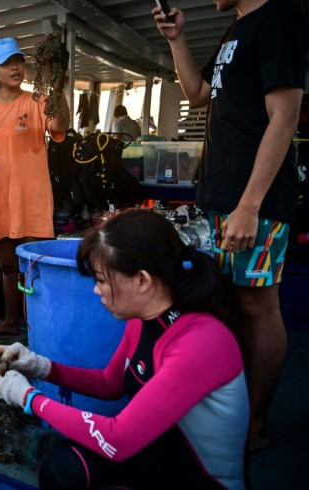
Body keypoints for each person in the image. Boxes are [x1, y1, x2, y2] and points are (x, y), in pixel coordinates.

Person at [0, 209, 248, 489]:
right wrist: (39, 365)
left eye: (101, 279)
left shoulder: (202, 343)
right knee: (64, 468)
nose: (97, 291)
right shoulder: (143, 320)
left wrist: (27, 397)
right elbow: (110, 383)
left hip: (200, 480)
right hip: (159, 457)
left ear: (142, 280)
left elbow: (117, 440)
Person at [154, 0, 308, 451]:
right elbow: (198, 93)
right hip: (222, 195)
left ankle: (254, 426)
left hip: (252, 198)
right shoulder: (235, 29)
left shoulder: (279, 17)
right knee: (234, 304)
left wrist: (250, 205)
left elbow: (285, 115)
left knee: (259, 307)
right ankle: (235, 411)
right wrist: (177, 39)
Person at [0, 37, 70, 335]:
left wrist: (58, 85)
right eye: (6, 63)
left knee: (37, 267)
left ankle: (43, 328)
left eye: (18, 61)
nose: (15, 67)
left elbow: (59, 127)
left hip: (32, 198)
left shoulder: (37, 101)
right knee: (8, 267)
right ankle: (9, 322)